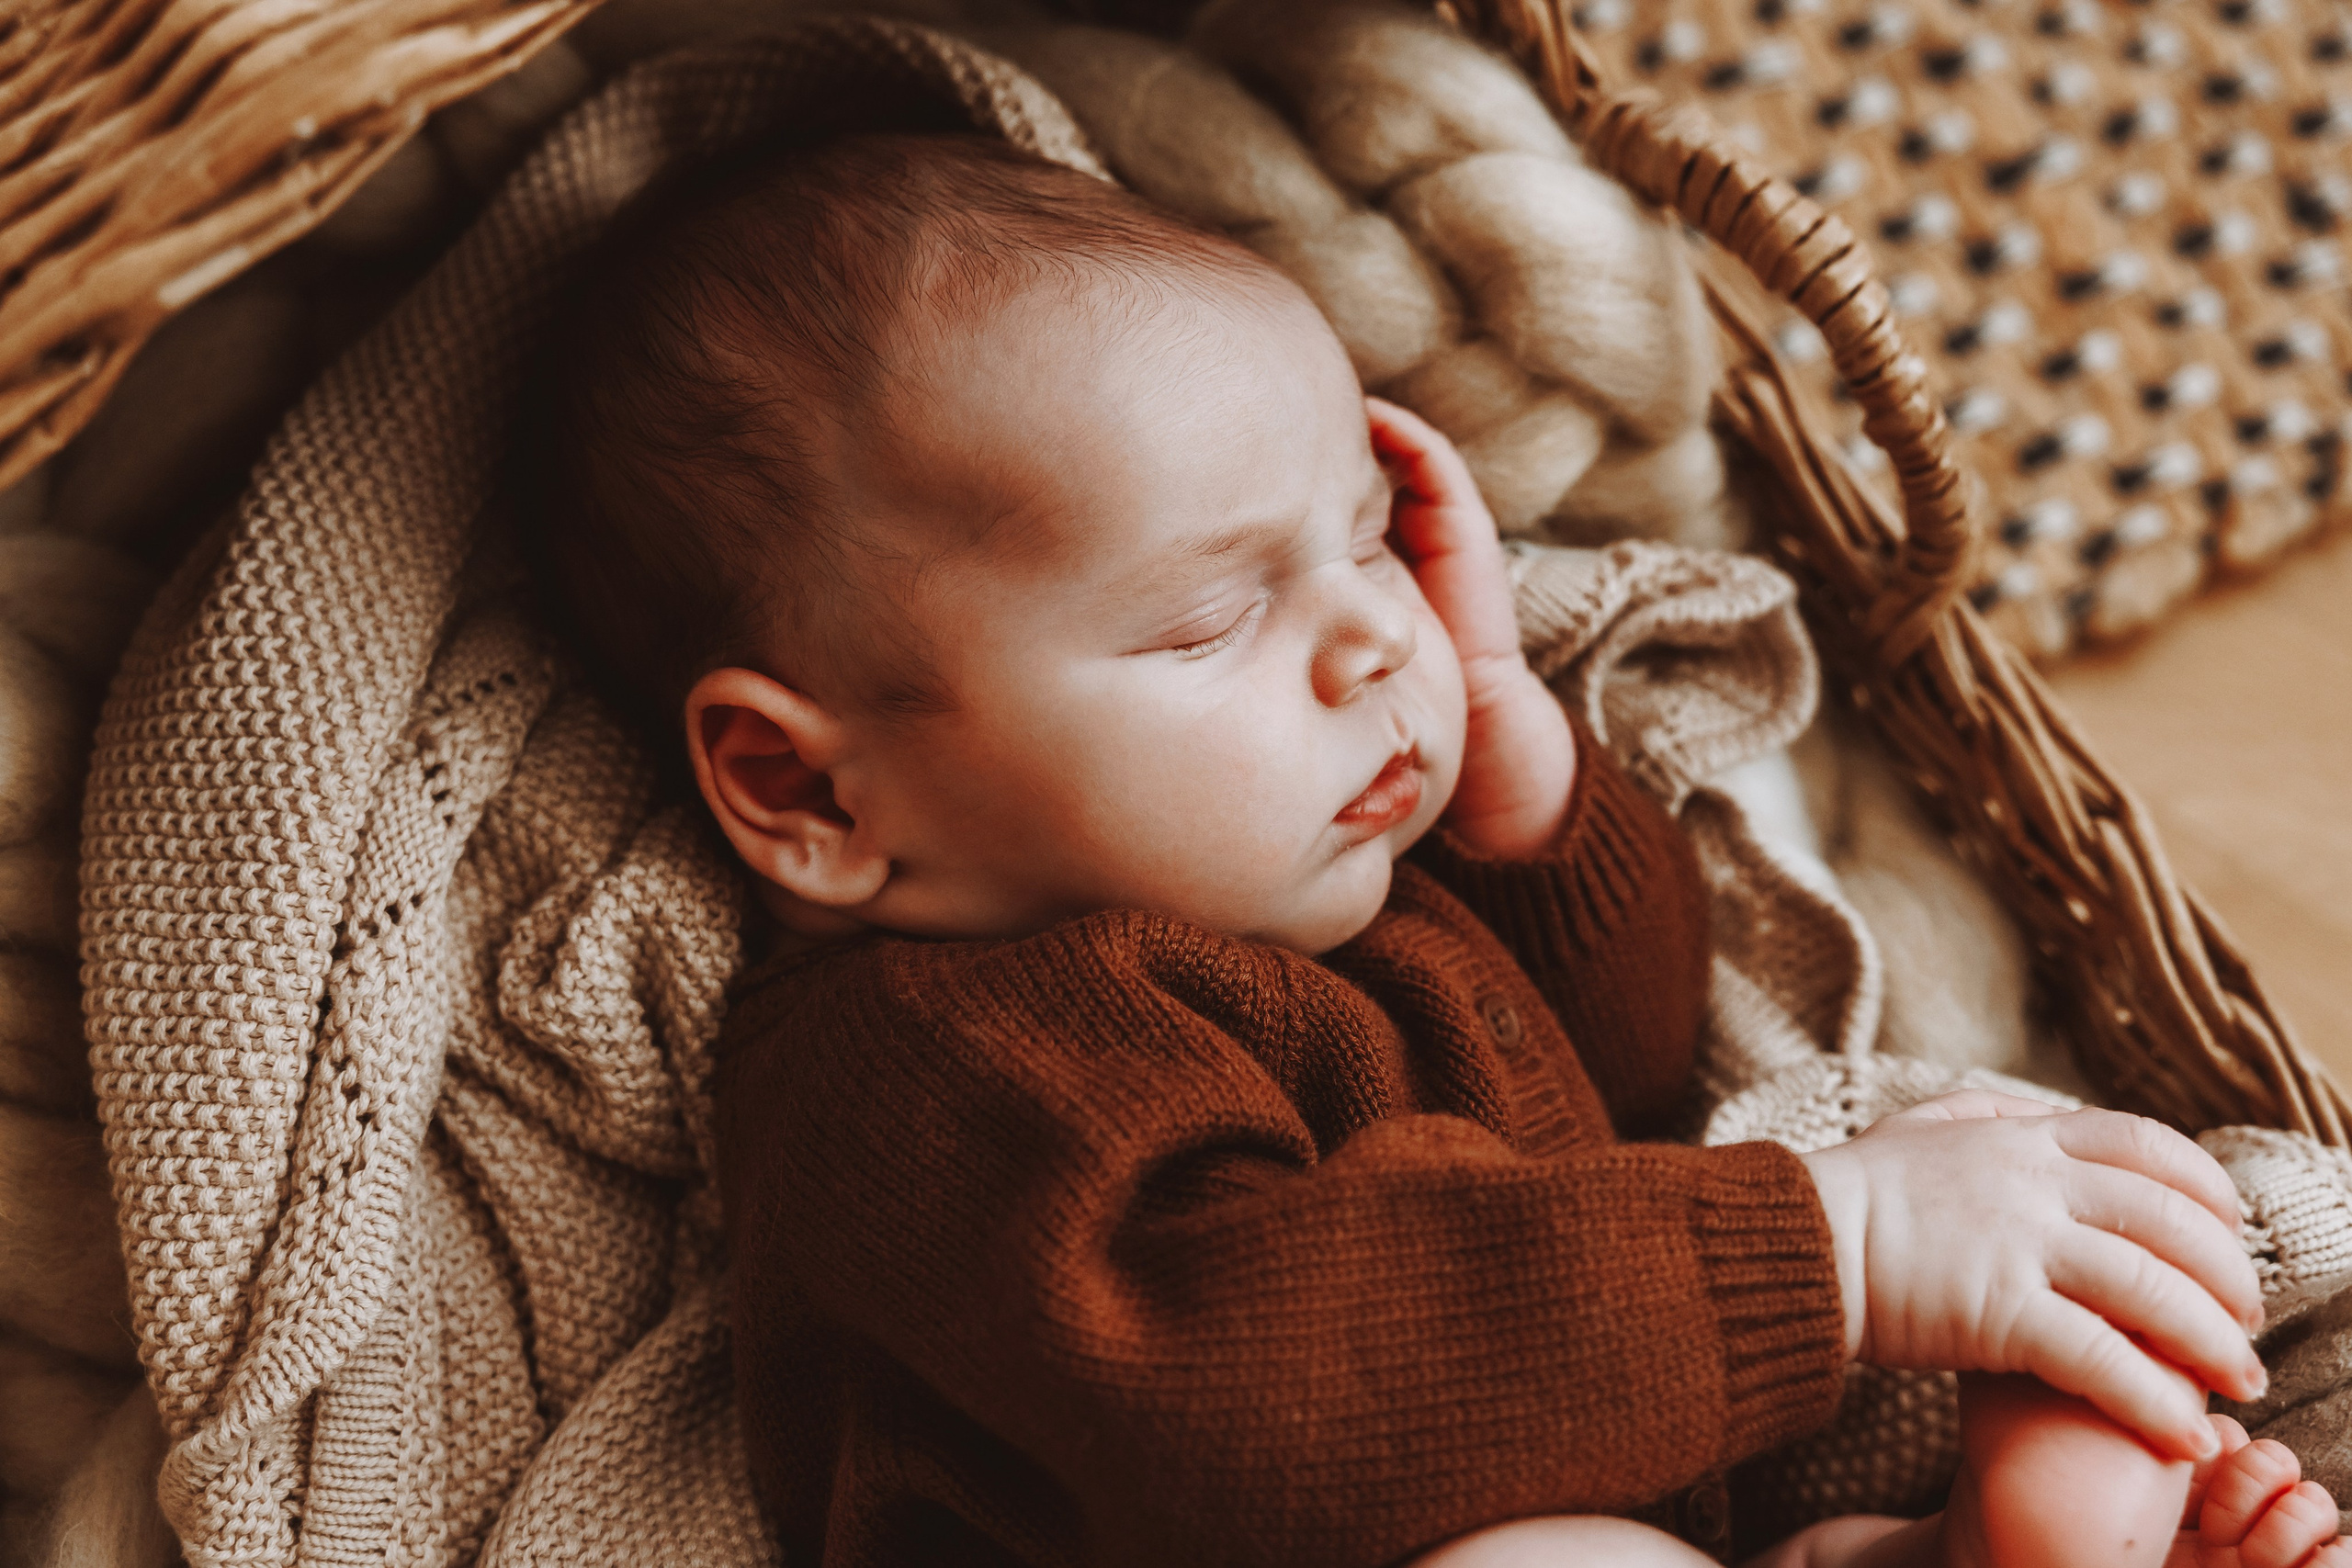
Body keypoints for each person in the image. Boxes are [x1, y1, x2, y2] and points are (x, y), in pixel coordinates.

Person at [518, 130, 2349, 1568]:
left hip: (1620, 1513)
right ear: (813, 795)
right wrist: (1835, 1248)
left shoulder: (1323, 889)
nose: (1368, 637)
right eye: (1202, 622)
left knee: (1983, 1235)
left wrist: (1525, 790)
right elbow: (1228, 1392)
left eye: (1364, 532)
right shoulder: (927, 1066)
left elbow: (1624, 1072)